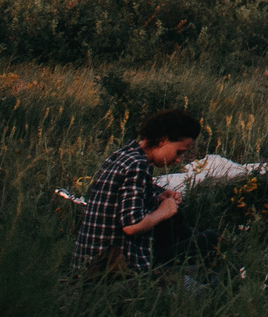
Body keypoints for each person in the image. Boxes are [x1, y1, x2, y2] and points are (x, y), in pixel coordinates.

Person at [74, 108, 201, 273]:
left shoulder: (124, 154)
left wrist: (156, 198)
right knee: (207, 243)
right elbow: (132, 225)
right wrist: (163, 211)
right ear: (162, 140)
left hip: (90, 260)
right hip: (113, 266)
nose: (178, 160)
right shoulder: (138, 165)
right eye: (179, 152)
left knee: (193, 241)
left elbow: (120, 205)